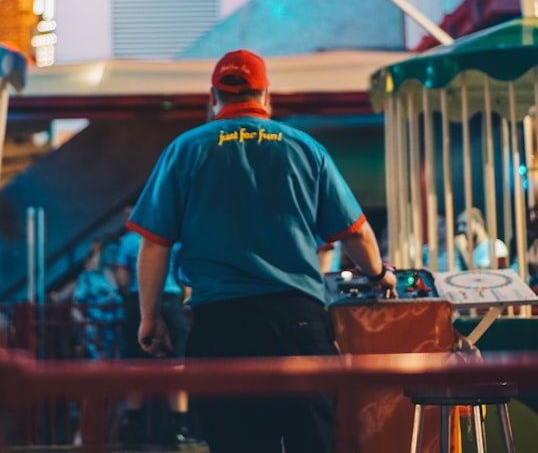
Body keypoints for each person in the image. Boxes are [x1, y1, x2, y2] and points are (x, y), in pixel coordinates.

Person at [127, 49, 396, 453]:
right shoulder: (304, 148)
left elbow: (153, 244)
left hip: (220, 327)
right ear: (266, 95)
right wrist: (378, 276)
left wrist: (150, 318)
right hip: (298, 324)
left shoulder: (185, 150)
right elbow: (356, 235)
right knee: (314, 444)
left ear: (213, 96)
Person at [115, 217, 196, 449]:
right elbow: (185, 275)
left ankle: (132, 429)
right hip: (171, 302)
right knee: (178, 366)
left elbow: (121, 277)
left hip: (137, 303)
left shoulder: (129, 240)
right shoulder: (176, 240)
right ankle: (179, 430)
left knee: (134, 367)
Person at [73, 240, 123, 360]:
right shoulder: (89, 276)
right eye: (110, 251)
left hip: (119, 331)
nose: (113, 254)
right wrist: (85, 326)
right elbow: (76, 306)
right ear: (102, 253)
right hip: (96, 331)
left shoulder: (124, 277)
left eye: (117, 251)